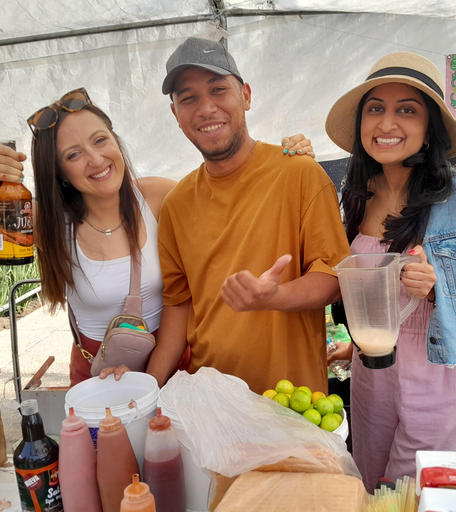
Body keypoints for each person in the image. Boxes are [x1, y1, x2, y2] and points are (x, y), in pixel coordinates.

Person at [0, 87, 314, 386]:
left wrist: (288, 158)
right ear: (60, 173)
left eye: (100, 140)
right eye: (73, 154)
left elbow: (239, 194)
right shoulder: (46, 226)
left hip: (172, 363)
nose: (96, 159)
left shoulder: (158, 196)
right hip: (98, 370)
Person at [323, 52, 456, 491]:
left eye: (407, 110)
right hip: (373, 368)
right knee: (370, 482)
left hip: (440, 370)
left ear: (430, 129)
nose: (387, 124)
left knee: (421, 486)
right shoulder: (355, 195)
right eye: (375, 109)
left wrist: (437, 291)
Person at [143, 37, 352, 395]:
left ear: (246, 96)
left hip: (292, 400)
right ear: (176, 115)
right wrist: (144, 392)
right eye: (188, 98)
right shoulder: (177, 204)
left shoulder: (299, 174)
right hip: (213, 400)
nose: (206, 108)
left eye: (218, 89)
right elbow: (177, 308)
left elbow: (334, 277)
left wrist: (274, 297)